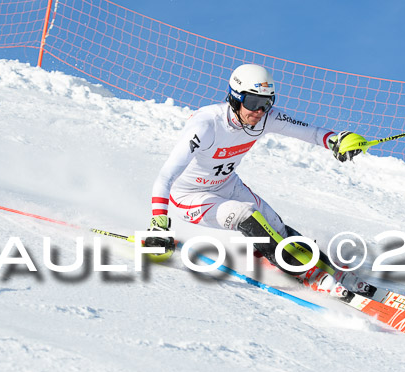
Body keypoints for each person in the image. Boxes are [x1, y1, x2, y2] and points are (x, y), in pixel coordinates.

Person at [147, 64, 374, 299]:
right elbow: (165, 177)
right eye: (253, 102)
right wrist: (158, 224)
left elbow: (312, 133)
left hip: (227, 185)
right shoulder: (206, 125)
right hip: (191, 197)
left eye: (266, 103)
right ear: (235, 98)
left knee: (276, 225)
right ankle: (308, 274)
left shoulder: (265, 119)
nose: (259, 111)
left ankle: (335, 272)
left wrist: (336, 141)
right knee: (245, 214)